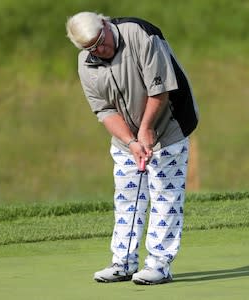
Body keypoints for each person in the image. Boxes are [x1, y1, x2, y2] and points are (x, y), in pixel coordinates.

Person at [65, 11, 199, 285]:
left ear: (105, 24)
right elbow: (104, 110)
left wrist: (147, 129)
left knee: (165, 196)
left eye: (100, 42)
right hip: (128, 138)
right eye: (89, 48)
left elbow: (159, 89)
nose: (98, 51)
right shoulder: (86, 62)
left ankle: (159, 265)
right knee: (128, 197)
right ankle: (123, 262)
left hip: (170, 125)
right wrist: (131, 141)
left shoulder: (140, 34)